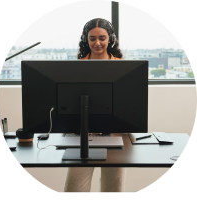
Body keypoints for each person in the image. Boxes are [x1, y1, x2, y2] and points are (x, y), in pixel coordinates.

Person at [64, 18, 126, 193]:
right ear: (86, 39)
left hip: (115, 132)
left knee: (113, 188)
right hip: (83, 134)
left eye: (102, 38)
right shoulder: (77, 67)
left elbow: (129, 104)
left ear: (110, 39)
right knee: (74, 188)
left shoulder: (123, 67)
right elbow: (69, 104)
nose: (97, 43)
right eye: (92, 38)